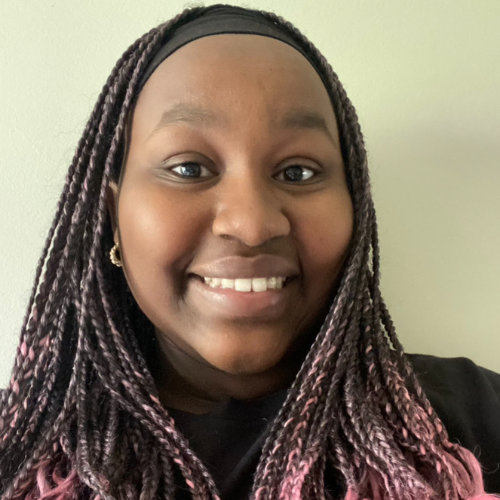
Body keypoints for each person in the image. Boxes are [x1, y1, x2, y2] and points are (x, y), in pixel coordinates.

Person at [0, 4, 498, 500]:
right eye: (189, 168)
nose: (252, 225)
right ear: (112, 214)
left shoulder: (473, 415)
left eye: (297, 171)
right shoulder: (19, 445)